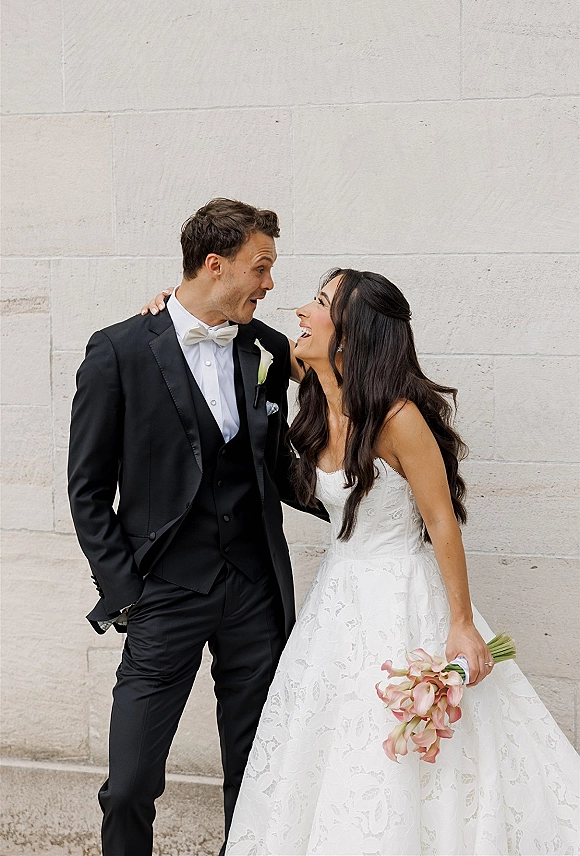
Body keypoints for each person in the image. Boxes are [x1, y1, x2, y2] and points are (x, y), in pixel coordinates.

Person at [147, 268, 579, 854]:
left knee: (405, 749)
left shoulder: (397, 418)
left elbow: (440, 520)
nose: (300, 309)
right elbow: (239, 330)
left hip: (402, 595)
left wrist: (460, 622)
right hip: (337, 600)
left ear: (349, 334)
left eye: (320, 302)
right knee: (326, 743)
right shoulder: (312, 385)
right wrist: (174, 309)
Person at [67, 198, 328, 856]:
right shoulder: (119, 350)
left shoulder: (266, 347)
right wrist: (124, 589)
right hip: (165, 592)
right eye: (260, 267)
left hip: (253, 591)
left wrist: (361, 500)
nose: (270, 284)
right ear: (216, 265)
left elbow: (282, 460)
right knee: (128, 785)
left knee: (255, 773)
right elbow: (88, 488)